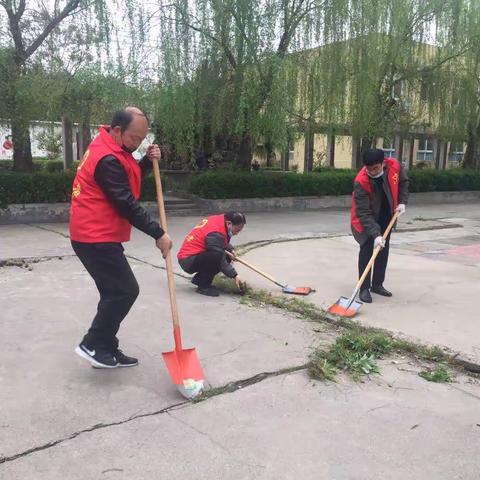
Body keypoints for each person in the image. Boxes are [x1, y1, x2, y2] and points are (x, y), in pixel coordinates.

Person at [70, 107, 173, 369]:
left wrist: (147, 162)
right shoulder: (107, 158)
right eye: (135, 138)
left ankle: (105, 346)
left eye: (142, 140)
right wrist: (158, 233)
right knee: (125, 290)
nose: (137, 144)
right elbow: (125, 203)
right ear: (117, 130)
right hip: (94, 236)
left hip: (99, 234)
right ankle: (92, 344)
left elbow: (129, 175)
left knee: (113, 293)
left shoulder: (114, 148)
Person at [351, 148, 409, 303]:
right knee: (367, 251)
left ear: (383, 163)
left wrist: (402, 202)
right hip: (365, 220)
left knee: (382, 251)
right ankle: (364, 288)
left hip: (387, 215)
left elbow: (403, 183)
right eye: (369, 169)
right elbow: (363, 212)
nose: (372, 171)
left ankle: (377, 284)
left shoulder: (395, 166)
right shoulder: (361, 181)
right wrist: (375, 234)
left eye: (375, 168)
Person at [177, 212, 246, 296]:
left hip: (195, 255)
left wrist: (230, 249)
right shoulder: (216, 231)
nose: (237, 233)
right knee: (216, 256)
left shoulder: (220, 220)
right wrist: (235, 275)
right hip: (188, 260)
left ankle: (200, 280)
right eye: (237, 230)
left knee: (225, 256)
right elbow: (220, 258)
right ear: (229, 223)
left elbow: (220, 241)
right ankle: (203, 286)